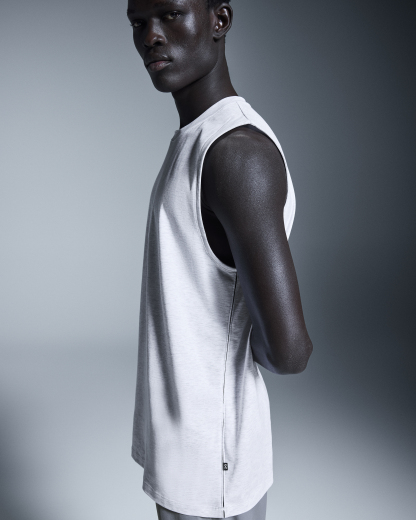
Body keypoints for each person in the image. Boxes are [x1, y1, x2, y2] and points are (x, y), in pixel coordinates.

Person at [126, 1, 313, 518]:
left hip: (213, 464)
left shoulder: (236, 153)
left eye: (170, 14)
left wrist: (219, 373)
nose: (150, 35)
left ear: (220, 20)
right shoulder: (197, 138)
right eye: (138, 22)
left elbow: (290, 351)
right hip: (188, 451)